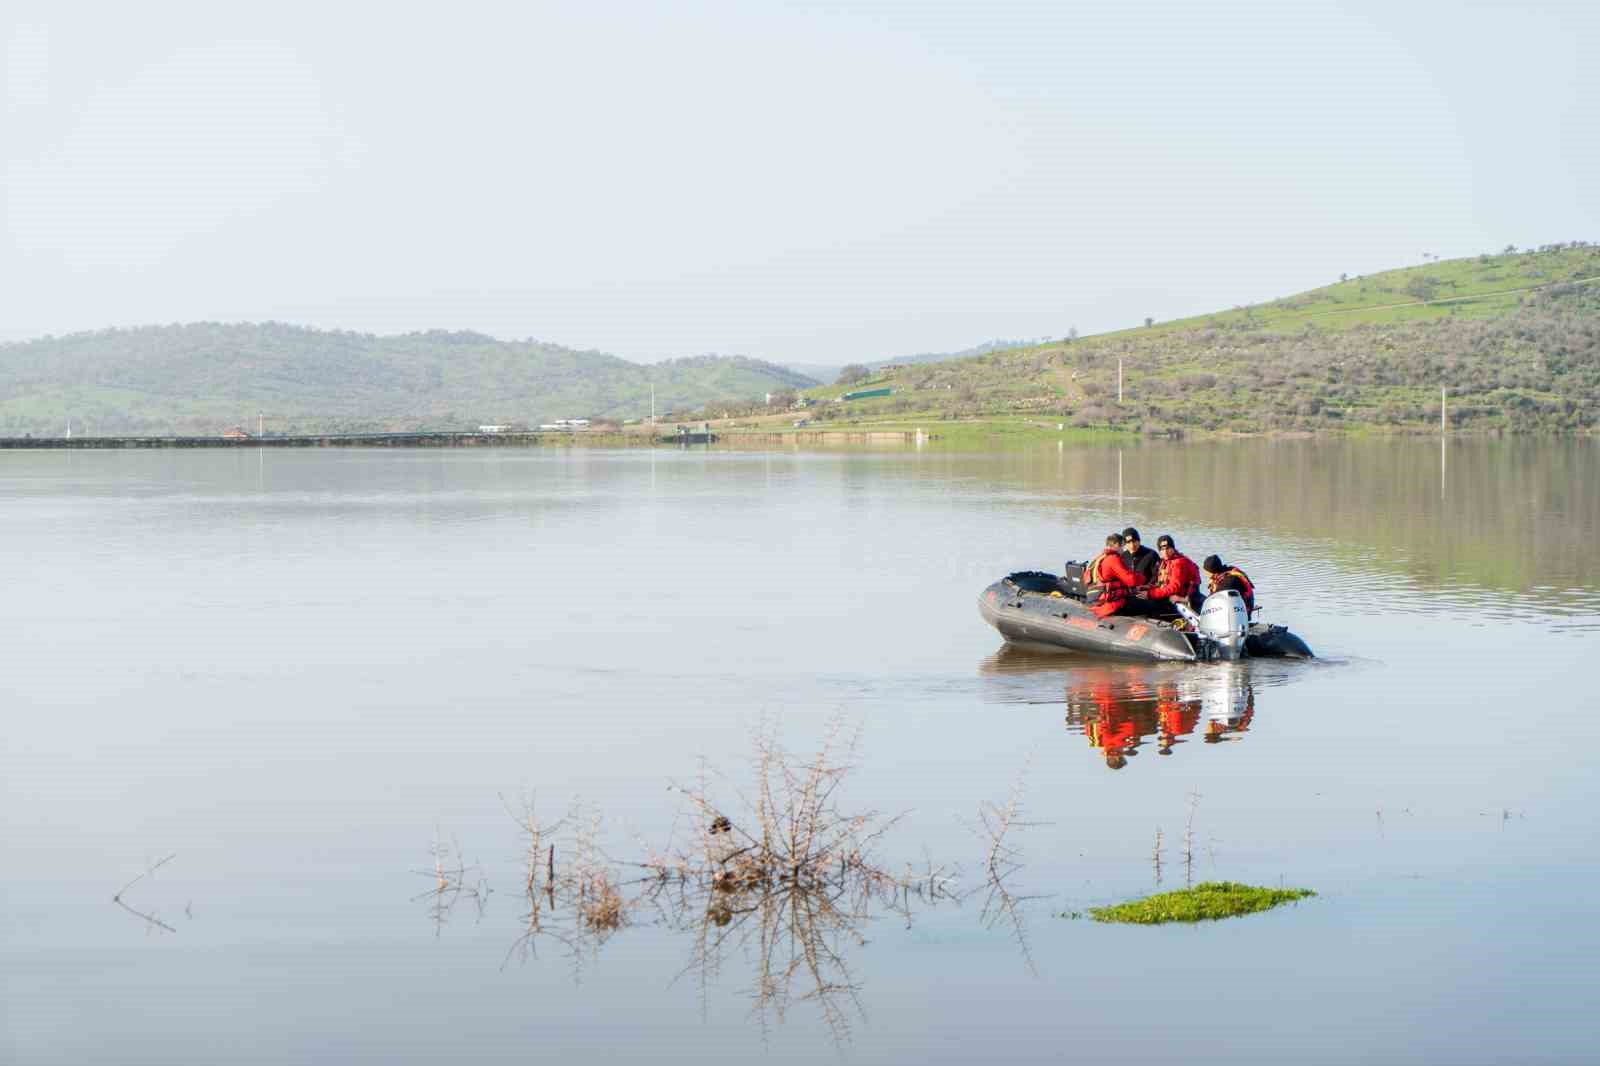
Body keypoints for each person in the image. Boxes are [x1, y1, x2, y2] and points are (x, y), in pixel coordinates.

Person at [1136, 534, 1202, 616]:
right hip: (1174, 595)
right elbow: (1162, 584)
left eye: (1168, 548)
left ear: (1173, 548)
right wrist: (1146, 587)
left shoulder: (1179, 562)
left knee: (1148, 604)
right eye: (1162, 549)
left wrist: (1150, 594)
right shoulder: (1165, 562)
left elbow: (1174, 587)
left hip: (1186, 598)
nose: (1165, 552)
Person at [1086, 532, 1143, 619]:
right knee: (1149, 604)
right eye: (1123, 546)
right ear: (1116, 545)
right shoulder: (1113, 559)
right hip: (1111, 605)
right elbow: (1131, 581)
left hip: (1096, 600)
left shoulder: (1099, 558)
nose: (1124, 550)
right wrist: (1143, 578)